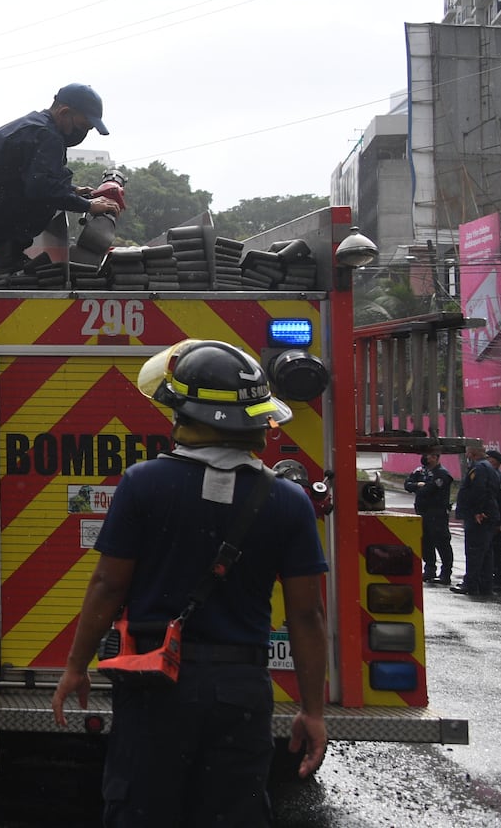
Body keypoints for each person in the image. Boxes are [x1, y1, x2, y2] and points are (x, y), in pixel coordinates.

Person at [51, 340, 328, 827]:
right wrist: (313, 709)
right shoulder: (288, 501)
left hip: (155, 683)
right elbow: (307, 615)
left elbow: (107, 586)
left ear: (184, 414)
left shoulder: (143, 484)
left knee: (141, 811)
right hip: (241, 691)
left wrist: (76, 666)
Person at [0, 84, 125, 278]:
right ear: (64, 112)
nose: (83, 133)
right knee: (45, 201)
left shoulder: (34, 126)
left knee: (43, 196)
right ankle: (8, 262)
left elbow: (26, 177)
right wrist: (88, 205)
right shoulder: (47, 136)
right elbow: (41, 188)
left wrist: (73, 191)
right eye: (83, 126)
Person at [452, 442, 501, 597]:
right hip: (488, 515)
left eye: (467, 451)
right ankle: (485, 585)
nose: (466, 454)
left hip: (479, 517)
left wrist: (478, 511)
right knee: (485, 552)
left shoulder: (479, 468)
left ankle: (471, 584)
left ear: (473, 452)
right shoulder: (487, 467)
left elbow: (478, 490)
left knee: (474, 551)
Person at [404, 444, 454, 584]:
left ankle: (446, 573)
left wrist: (420, 486)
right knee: (426, 542)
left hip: (437, 513)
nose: (426, 458)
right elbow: (407, 484)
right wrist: (417, 485)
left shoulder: (442, 473)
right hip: (422, 512)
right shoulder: (420, 471)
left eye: (429, 456)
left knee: (442, 542)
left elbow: (429, 490)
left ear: (436, 457)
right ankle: (430, 569)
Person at [486, 449, 501, 594]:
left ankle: (497, 582)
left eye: (489, 459)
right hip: (494, 520)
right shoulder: (492, 475)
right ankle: (492, 579)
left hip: (500, 521)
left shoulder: (499, 478)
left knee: (498, 552)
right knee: (491, 552)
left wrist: (500, 523)